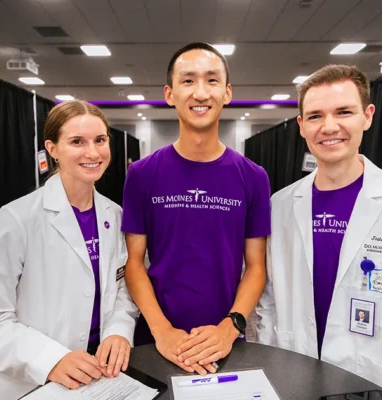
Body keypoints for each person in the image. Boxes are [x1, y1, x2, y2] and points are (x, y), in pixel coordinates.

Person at [122, 42, 271, 376]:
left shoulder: (253, 177)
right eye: (188, 81)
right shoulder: (142, 174)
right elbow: (133, 263)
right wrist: (162, 330)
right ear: (170, 93)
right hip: (157, 338)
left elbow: (256, 266)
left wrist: (230, 326)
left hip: (226, 341)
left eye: (212, 80)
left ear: (228, 92)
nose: (200, 92)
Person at [0, 100, 138, 400]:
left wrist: (119, 330)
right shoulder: (17, 219)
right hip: (34, 381)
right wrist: (50, 359)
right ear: (52, 149)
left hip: (102, 374)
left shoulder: (115, 215)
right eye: (77, 142)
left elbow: (123, 289)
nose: (92, 153)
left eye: (100, 140)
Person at [256, 64, 382, 386]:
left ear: (367, 116)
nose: (329, 127)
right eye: (315, 116)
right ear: (301, 125)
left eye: (343, 112)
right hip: (290, 370)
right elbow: (266, 298)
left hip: (370, 375)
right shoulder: (280, 206)